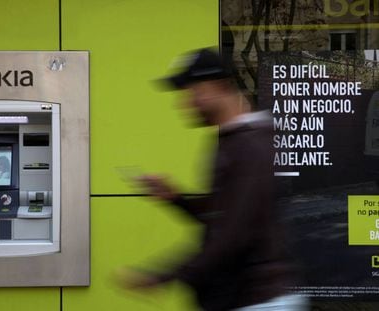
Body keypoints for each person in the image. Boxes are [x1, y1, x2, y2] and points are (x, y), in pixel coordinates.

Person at [118, 47, 309, 311]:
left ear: (219, 86)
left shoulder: (249, 145)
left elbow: (233, 234)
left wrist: (162, 276)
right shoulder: (232, 140)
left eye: (193, 92)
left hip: (257, 301)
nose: (185, 103)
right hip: (242, 299)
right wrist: (176, 198)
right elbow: (225, 215)